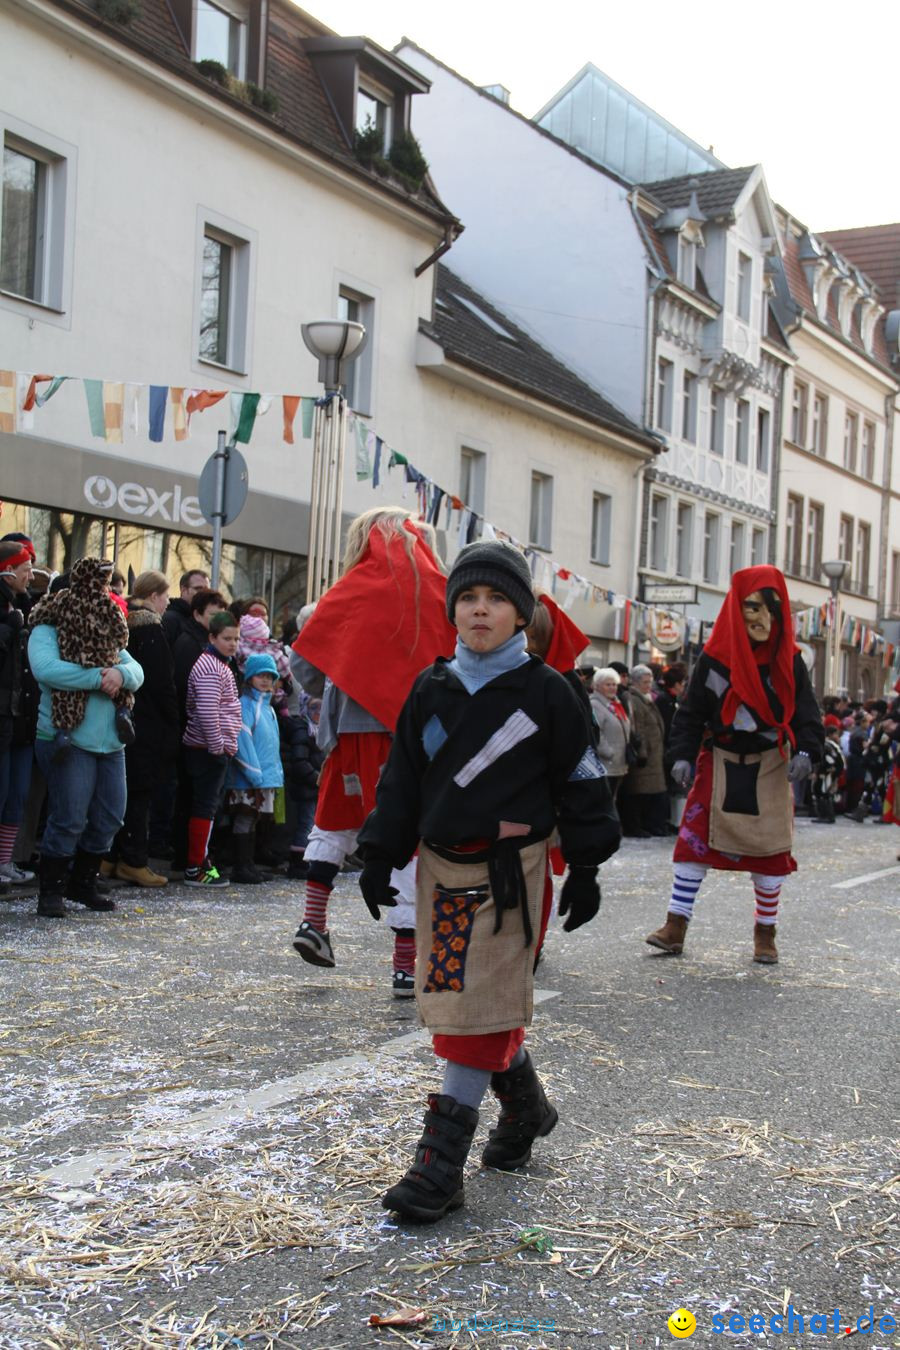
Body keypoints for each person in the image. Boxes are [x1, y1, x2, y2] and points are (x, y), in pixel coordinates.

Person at [356, 540, 621, 1222]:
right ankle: (527, 1110)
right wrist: (381, 853)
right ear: (453, 610)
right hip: (444, 873)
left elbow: (582, 781)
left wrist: (586, 867)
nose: (481, 610)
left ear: (520, 614)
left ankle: (438, 1170)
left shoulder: (550, 693)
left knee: (475, 1016)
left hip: (514, 875)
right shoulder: (431, 688)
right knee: (464, 1004)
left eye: (497, 599)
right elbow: (404, 781)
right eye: (469, 598)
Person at [290, 507, 455, 996]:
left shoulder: (351, 588)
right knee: (408, 839)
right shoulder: (439, 592)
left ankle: (313, 921)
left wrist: (344, 681)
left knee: (335, 820)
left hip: (350, 732)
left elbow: (304, 660)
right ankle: (405, 965)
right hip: (411, 739)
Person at [645, 566, 824, 964]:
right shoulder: (714, 660)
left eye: (770, 609)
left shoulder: (790, 662)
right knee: (693, 843)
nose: (761, 619)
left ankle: (766, 932)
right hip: (720, 760)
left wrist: (808, 751)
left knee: (770, 851)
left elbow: (807, 715)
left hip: (770, 765)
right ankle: (676, 925)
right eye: (752, 607)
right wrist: (680, 756)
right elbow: (690, 714)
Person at [28, 558, 144, 918]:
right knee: (69, 817)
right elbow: (47, 670)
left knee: (111, 815)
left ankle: (83, 882)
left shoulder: (103, 632)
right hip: (67, 737)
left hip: (110, 741)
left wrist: (120, 676)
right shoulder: (46, 629)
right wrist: (99, 678)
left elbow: (136, 669)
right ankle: (51, 891)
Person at [105, 571, 179, 886]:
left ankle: (110, 856)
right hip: (148, 725)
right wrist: (175, 720)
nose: (167, 603)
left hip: (130, 719)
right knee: (140, 794)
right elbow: (163, 682)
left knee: (125, 791)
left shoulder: (126, 626)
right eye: (165, 596)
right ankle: (133, 858)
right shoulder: (150, 630)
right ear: (153, 596)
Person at [182, 611, 242, 887]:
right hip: (207, 749)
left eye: (236, 638)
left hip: (216, 747)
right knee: (204, 806)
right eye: (227, 638)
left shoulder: (220, 665)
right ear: (212, 637)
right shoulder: (209, 667)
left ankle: (202, 861)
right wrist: (218, 746)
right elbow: (208, 712)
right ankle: (196, 867)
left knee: (209, 806)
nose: (233, 644)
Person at [225, 652, 285, 884]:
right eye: (260, 675)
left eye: (270, 676)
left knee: (255, 819)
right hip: (248, 778)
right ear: (249, 677)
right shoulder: (246, 705)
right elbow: (242, 740)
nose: (265, 680)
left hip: (265, 776)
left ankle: (249, 864)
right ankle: (241, 866)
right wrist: (254, 772)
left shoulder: (269, 708)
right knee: (245, 817)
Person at [0, 539, 36, 884]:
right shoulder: (7, 613)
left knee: (17, 793)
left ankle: (4, 861)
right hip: (3, 715)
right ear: (8, 573)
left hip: (21, 714)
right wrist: (8, 629)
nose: (30, 575)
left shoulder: (25, 606)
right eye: (25, 569)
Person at [618, 664, 668, 837]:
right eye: (645, 682)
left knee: (650, 792)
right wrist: (642, 753)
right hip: (645, 753)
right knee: (640, 791)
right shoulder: (634, 699)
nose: (649, 685)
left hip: (654, 752)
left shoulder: (644, 698)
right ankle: (638, 825)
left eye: (650, 682)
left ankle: (650, 824)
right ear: (636, 682)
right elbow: (638, 727)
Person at [590, 667, 631, 801]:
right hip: (606, 764)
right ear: (597, 686)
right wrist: (609, 752)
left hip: (618, 763)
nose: (612, 688)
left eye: (614, 684)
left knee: (612, 799)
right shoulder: (595, 705)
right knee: (605, 801)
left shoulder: (615, 704)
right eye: (608, 684)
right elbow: (595, 731)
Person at [162, 570, 212, 647]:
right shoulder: (169, 619)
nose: (204, 593)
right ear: (183, 590)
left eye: (207, 589)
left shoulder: (203, 620)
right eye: (198, 589)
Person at [810, 716, 845, 824]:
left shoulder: (827, 745)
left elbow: (829, 761)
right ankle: (826, 815)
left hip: (827, 772)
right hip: (831, 771)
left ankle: (827, 815)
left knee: (823, 791)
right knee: (823, 791)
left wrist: (820, 772)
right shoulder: (831, 744)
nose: (837, 736)